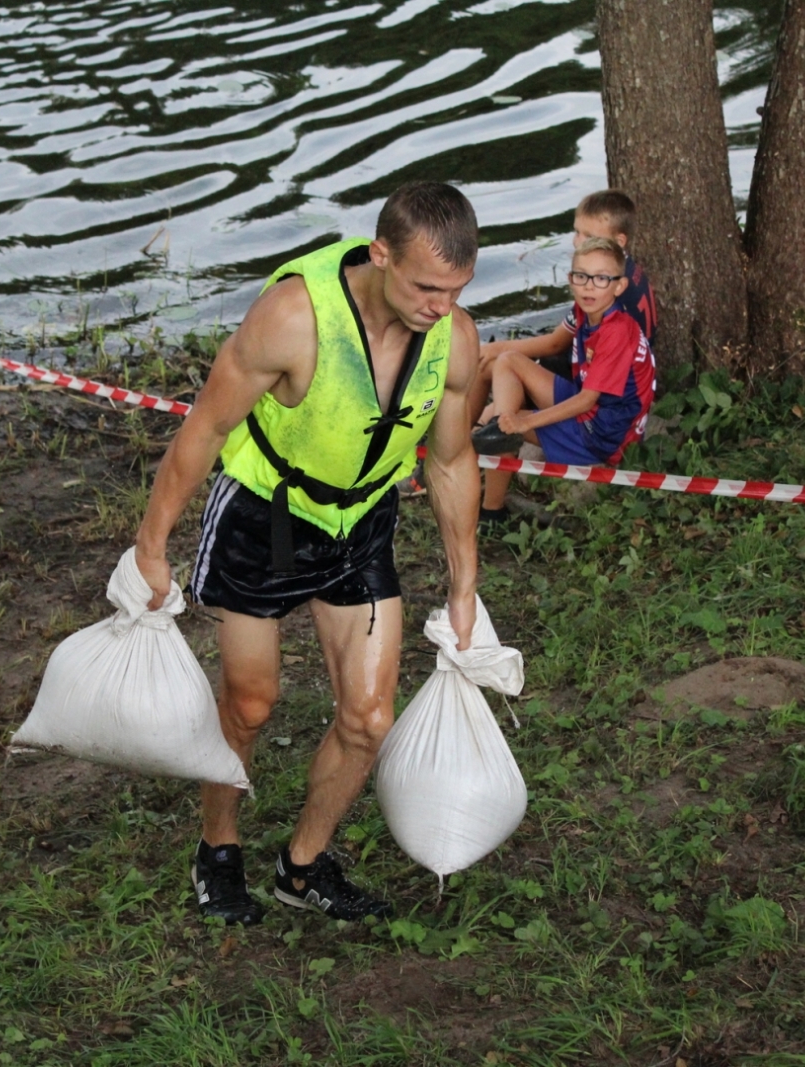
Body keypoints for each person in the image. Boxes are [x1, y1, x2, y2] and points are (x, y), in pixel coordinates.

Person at [132, 182, 483, 926]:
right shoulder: (296, 317)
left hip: (359, 523)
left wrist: (464, 583)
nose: (439, 306)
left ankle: (302, 865)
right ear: (381, 254)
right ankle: (217, 847)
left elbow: (450, 461)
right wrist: (150, 543)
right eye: (425, 286)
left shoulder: (454, 338)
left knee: (369, 717)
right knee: (252, 703)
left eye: (456, 290)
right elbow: (204, 429)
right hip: (266, 515)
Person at [471, 237, 656, 518]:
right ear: (570, 279)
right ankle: (473, 436)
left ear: (620, 286)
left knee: (510, 423)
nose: (589, 285)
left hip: (604, 434)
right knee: (507, 361)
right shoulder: (587, 308)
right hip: (594, 408)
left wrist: (525, 421)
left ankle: (492, 510)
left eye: (601, 278)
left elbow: (586, 400)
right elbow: (555, 344)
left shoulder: (617, 330)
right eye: (581, 276)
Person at [479, 189, 657, 384]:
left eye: (589, 237)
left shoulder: (601, 288)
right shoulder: (628, 269)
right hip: (631, 375)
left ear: (619, 241)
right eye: (577, 232)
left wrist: (494, 349)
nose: (577, 242)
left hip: (608, 383)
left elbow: (555, 343)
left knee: (491, 367)